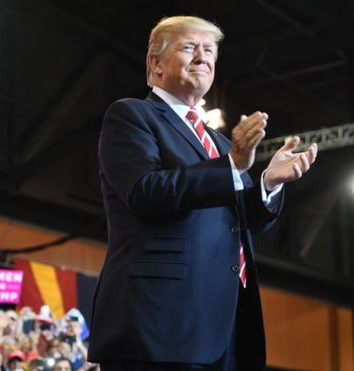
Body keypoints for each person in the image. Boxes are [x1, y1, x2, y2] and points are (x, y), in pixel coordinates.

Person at [88, 15, 318, 371]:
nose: (203, 58)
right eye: (189, 48)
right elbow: (145, 192)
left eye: (209, 50)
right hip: (159, 323)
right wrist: (232, 165)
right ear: (156, 63)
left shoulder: (220, 143)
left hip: (222, 321)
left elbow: (242, 220)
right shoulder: (132, 115)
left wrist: (269, 183)